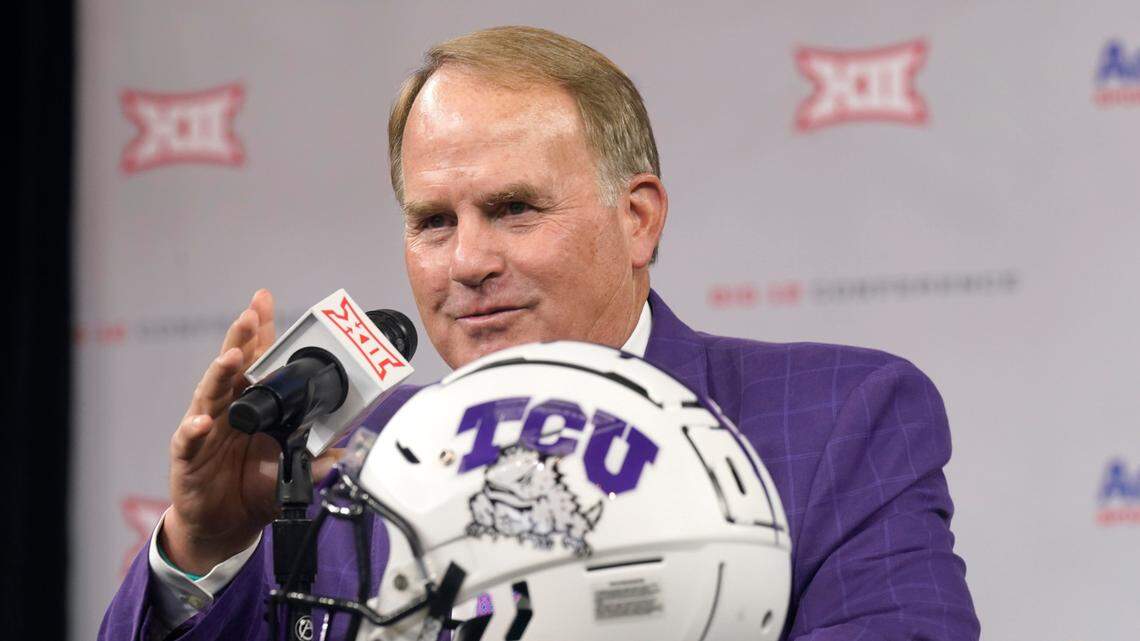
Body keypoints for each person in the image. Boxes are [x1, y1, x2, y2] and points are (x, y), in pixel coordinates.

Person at [100, 26, 980, 640]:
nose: (467, 261)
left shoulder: (840, 418)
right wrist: (204, 547)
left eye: (514, 208)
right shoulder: (344, 463)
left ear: (637, 220)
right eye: (433, 221)